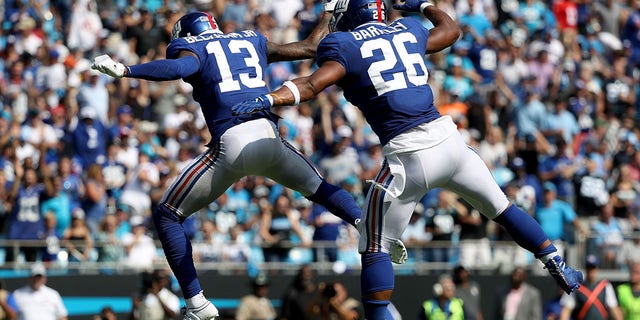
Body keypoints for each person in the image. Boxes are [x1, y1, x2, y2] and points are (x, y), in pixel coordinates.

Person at [231, 0, 583, 318]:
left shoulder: (344, 44)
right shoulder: (409, 29)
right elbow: (451, 31)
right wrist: (425, 5)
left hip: (408, 156)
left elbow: (310, 85)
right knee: (503, 208)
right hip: (450, 142)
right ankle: (556, 261)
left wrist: (271, 99)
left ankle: (378, 312)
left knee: (373, 247)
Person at [89, 4, 400, 319]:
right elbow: (309, 47)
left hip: (233, 142)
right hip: (269, 137)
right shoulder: (250, 40)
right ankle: (367, 225)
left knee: (167, 215)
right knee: (318, 187)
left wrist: (127, 70)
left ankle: (196, 302)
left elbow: (178, 70)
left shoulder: (195, 47)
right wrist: (326, 16)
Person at [559, 255, 623, 320]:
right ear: (586, 268)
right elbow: (566, 311)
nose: (591, 271)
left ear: (597, 269)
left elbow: (614, 309)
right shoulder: (576, 286)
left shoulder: (605, 286)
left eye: (593, 268)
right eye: (589, 268)